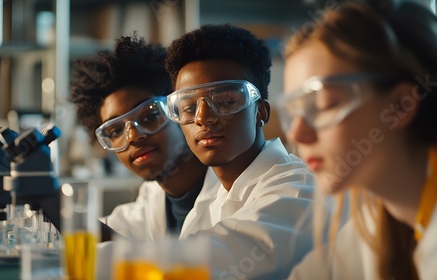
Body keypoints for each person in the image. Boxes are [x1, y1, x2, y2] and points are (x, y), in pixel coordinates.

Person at [276, 1, 437, 279]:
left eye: (324, 104)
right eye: (293, 113)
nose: (297, 134)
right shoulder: (374, 218)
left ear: (400, 105)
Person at [162, 24, 315, 279]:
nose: (203, 119)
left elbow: (212, 260)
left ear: (261, 112)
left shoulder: (298, 188)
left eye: (225, 101)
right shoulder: (210, 198)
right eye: (188, 108)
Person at [69, 35, 219, 242]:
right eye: (115, 131)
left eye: (149, 116)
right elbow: (96, 240)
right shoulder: (151, 197)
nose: (133, 137)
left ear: (181, 110)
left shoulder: (230, 189)